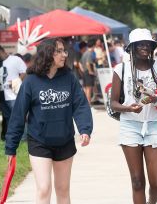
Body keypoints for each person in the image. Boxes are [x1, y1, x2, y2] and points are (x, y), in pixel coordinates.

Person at [5, 37, 93, 204]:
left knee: (63, 189)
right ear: (47, 54)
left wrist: (85, 129)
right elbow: (18, 114)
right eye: (59, 51)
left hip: (65, 140)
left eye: (64, 50)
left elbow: (80, 105)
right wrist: (11, 146)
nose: (64, 55)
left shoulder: (69, 78)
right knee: (44, 188)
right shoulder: (31, 81)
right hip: (40, 142)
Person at [110, 28, 157, 204]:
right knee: (137, 182)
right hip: (130, 125)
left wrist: (156, 100)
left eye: (148, 44)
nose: (145, 47)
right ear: (132, 48)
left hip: (153, 124)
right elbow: (113, 102)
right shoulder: (121, 69)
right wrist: (128, 108)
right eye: (140, 44)